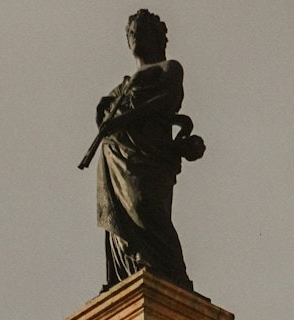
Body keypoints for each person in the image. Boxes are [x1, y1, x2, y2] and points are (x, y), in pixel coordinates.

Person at [88, 9, 206, 291]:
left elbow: (169, 98)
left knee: (146, 206)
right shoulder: (123, 85)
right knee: (122, 215)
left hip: (151, 154)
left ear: (156, 37)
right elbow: (106, 117)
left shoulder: (169, 68)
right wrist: (107, 115)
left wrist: (125, 117)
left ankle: (171, 273)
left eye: (140, 31)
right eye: (130, 33)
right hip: (117, 154)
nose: (134, 37)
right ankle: (130, 268)